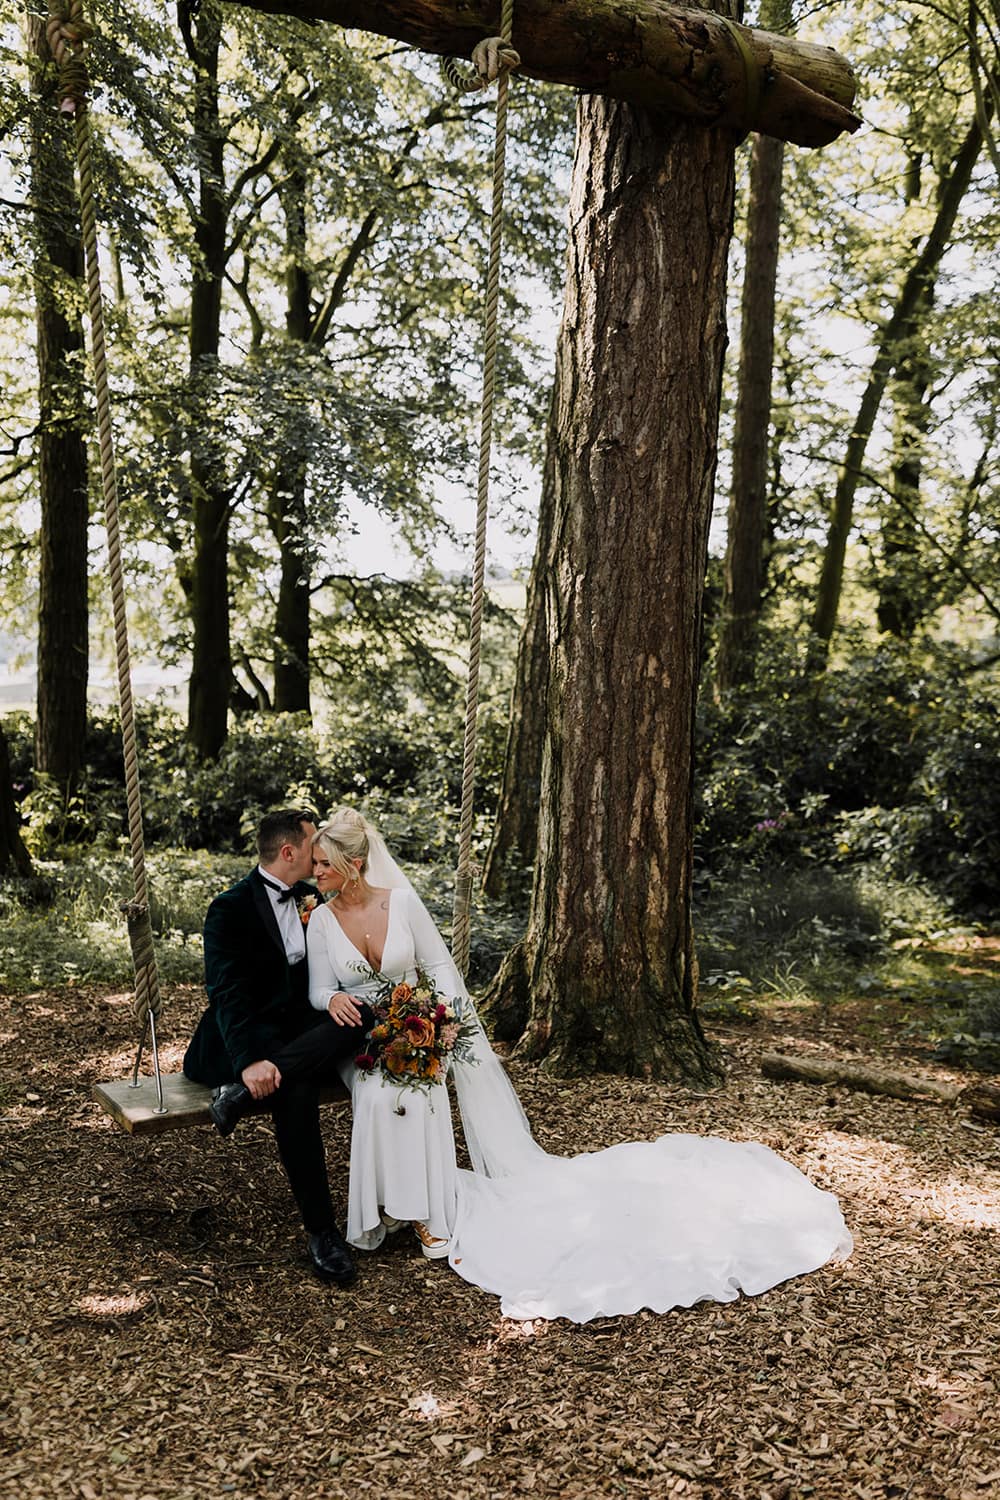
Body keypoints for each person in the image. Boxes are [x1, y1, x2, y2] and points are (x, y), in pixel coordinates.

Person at [306, 808, 854, 1323]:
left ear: (355, 863)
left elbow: (440, 969)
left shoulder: (401, 904)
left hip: (419, 1027)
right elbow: (318, 989)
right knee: (378, 1095)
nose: (316, 872)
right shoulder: (322, 919)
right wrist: (332, 998)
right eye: (314, 864)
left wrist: (443, 1028)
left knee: (420, 1091)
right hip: (362, 1040)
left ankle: (429, 1212)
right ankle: (381, 1210)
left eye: (324, 863)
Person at [183, 808, 373, 1287]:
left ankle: (239, 1097)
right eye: (314, 847)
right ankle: (322, 1233)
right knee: (295, 1089)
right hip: (242, 1038)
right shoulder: (229, 908)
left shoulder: (314, 897)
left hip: (298, 1036)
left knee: (362, 1014)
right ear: (289, 852)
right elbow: (226, 995)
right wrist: (249, 1062)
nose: (321, 854)